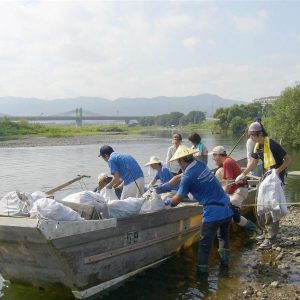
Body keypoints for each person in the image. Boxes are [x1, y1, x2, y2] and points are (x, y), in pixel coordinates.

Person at [157, 145, 233, 275]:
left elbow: (177, 199)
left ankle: (202, 279)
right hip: (227, 208)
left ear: (181, 161)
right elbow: (179, 177)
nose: (178, 164)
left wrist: (166, 202)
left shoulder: (188, 176)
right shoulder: (200, 165)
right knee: (223, 238)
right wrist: (162, 187)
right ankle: (225, 268)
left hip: (212, 214)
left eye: (178, 161)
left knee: (204, 247)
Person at [236, 121, 292, 250]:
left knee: (271, 207)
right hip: (266, 176)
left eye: (252, 135)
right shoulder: (258, 146)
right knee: (260, 205)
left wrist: (278, 171)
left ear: (260, 133)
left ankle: (271, 238)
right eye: (250, 135)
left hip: (276, 179)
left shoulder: (272, 144)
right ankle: (265, 232)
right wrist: (243, 174)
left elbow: (288, 159)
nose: (251, 138)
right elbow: (254, 162)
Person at [211, 146, 260, 233]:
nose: (213, 158)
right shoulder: (228, 160)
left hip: (239, 190)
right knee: (233, 214)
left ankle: (255, 230)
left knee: (234, 214)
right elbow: (228, 181)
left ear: (218, 155)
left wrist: (223, 195)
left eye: (214, 156)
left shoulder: (227, 162)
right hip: (237, 190)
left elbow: (229, 180)